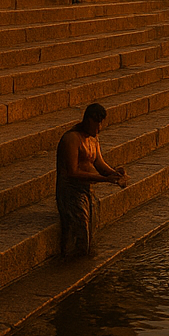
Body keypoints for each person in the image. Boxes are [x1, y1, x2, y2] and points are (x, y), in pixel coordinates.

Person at [55, 103, 128, 258]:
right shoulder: (71, 139)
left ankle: (83, 257)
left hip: (86, 189)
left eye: (101, 123)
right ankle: (73, 261)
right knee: (80, 226)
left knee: (90, 226)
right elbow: (72, 172)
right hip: (70, 192)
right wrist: (103, 179)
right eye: (96, 124)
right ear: (87, 121)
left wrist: (115, 173)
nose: (99, 128)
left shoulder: (94, 139)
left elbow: (99, 163)